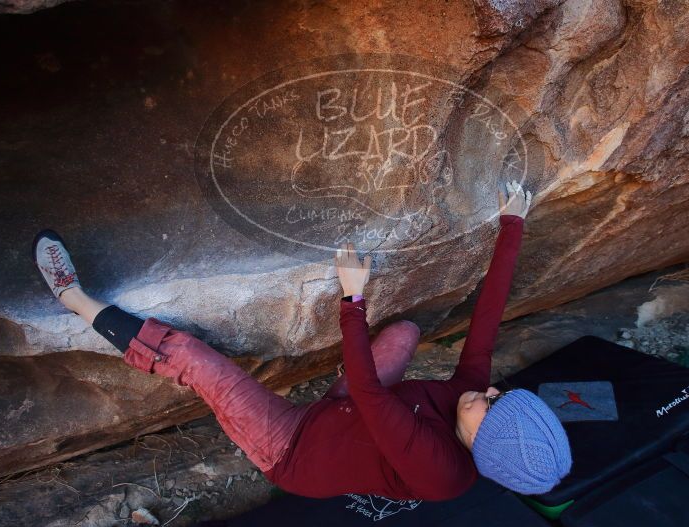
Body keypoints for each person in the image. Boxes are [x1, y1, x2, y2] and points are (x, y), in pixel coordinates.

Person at [31, 180, 570, 501]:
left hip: (294, 447)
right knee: (404, 333)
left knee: (199, 363)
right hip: (347, 414)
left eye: (489, 409)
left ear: (483, 448)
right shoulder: (476, 403)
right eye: (502, 394)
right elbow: (486, 324)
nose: (487, 393)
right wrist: (513, 224)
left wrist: (352, 298)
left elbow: (370, 393)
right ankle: (337, 387)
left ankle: (73, 298)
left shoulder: (439, 471)